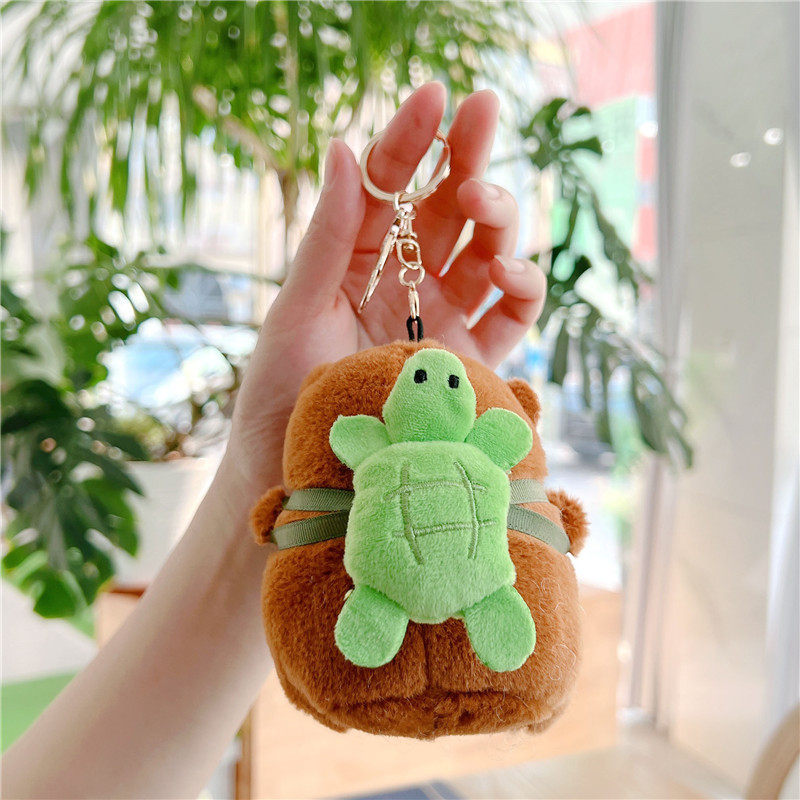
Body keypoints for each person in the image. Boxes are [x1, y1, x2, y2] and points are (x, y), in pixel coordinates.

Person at [1, 82, 546, 799]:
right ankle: (439, 612)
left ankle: (435, 611)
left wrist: (284, 469)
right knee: (432, 604)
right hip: (416, 572)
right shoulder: (371, 431)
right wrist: (291, 458)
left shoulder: (393, 430)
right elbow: (380, 442)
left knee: (432, 602)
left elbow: (440, 447)